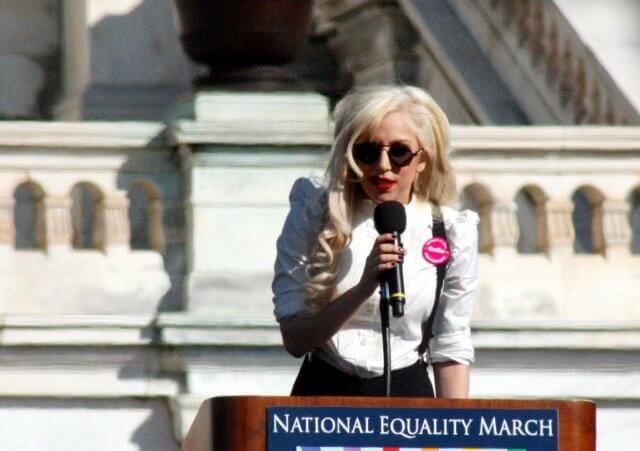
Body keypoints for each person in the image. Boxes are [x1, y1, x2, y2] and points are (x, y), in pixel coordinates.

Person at [271, 85, 478, 398]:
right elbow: (295, 340)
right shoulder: (314, 213)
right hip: (325, 392)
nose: (383, 166)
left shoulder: (450, 231)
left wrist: (457, 439)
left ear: (422, 159)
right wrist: (363, 288)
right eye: (367, 152)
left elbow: (450, 346)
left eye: (399, 153)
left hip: (408, 391)